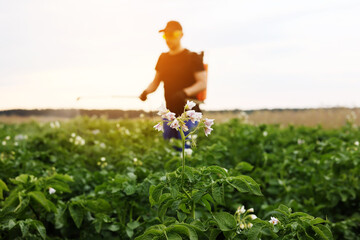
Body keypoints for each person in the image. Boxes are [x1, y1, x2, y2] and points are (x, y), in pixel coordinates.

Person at [139, 20, 207, 143]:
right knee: (169, 151)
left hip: (189, 115)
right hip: (169, 114)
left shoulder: (192, 57)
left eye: (171, 35)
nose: (168, 39)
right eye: (165, 36)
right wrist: (146, 92)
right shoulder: (163, 58)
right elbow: (155, 82)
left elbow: (202, 83)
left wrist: (184, 93)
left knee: (186, 150)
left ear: (180, 35)